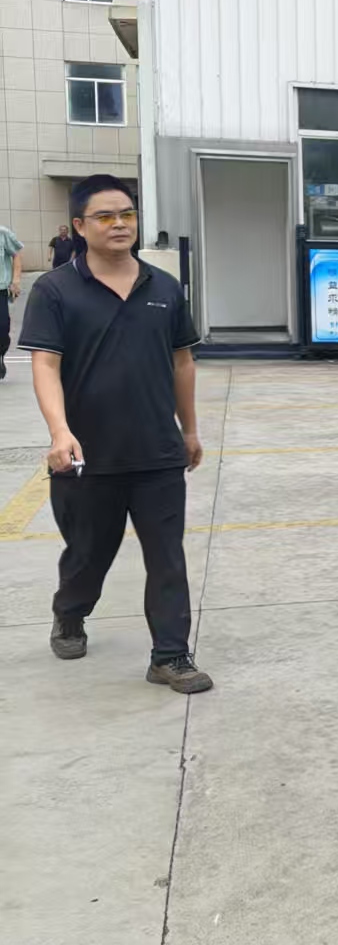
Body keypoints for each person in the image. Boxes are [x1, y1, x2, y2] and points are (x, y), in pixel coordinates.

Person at [18, 175, 213, 694]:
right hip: (86, 457)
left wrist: (190, 429)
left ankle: (170, 655)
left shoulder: (163, 287)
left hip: (157, 453)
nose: (119, 224)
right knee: (88, 555)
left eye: (127, 214)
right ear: (79, 226)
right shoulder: (55, 289)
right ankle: (70, 613)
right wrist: (60, 432)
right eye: (105, 216)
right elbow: (45, 364)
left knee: (167, 557)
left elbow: (183, 361)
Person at [0, 222, 21, 379]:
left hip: (0, 289)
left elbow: (16, 254)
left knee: (2, 327)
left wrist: (16, 280)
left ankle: (0, 353)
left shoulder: (3, 233)